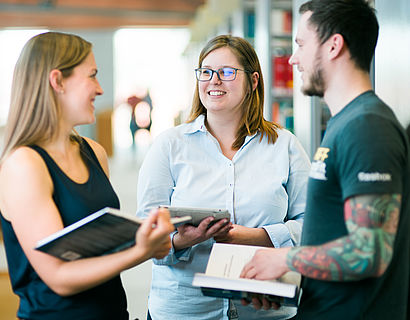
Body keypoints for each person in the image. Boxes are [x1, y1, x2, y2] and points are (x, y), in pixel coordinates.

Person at [240, 1, 410, 319]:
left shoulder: (367, 127)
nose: (293, 58)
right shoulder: (343, 124)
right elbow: (335, 237)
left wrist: (285, 259)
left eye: (302, 45)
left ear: (334, 46)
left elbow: (370, 251)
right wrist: (288, 282)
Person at [0, 31, 175, 320]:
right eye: (92, 75)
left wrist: (163, 235)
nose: (100, 89)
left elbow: (99, 248)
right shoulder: (24, 164)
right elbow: (58, 276)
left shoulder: (93, 152)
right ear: (57, 82)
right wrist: (142, 250)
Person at [136, 35, 310, 320]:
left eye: (227, 72)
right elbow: (143, 234)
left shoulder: (285, 145)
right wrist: (182, 241)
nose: (214, 80)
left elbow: (313, 225)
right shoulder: (169, 145)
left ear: (253, 81)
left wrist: (257, 237)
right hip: (186, 311)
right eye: (206, 72)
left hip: (264, 310)